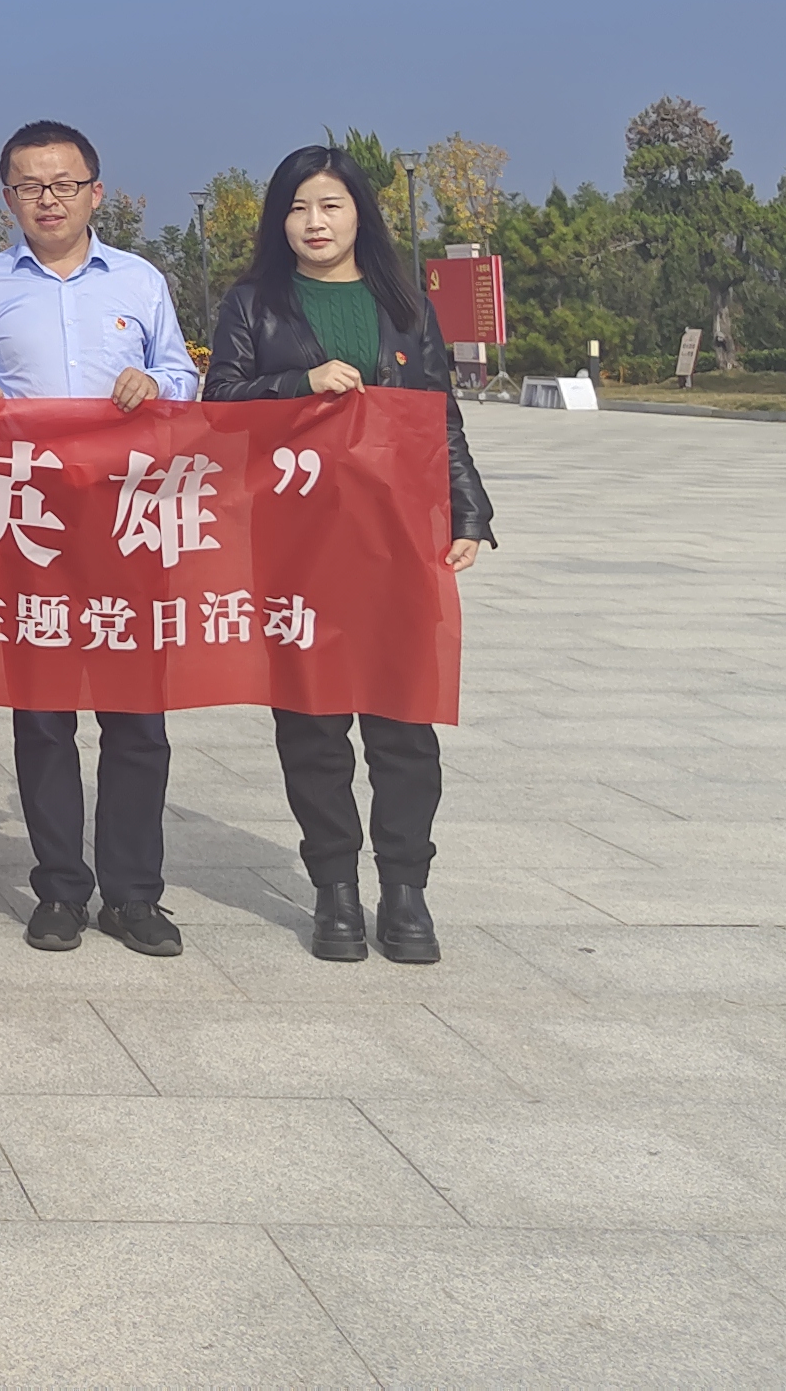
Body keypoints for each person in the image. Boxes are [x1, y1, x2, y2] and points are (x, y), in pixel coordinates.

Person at [207, 144, 494, 966]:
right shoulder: (253, 304)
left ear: (360, 214)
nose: (315, 222)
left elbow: (437, 417)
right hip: (297, 546)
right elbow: (217, 406)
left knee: (405, 722)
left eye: (330, 205)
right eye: (298, 208)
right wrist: (295, 384)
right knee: (313, 725)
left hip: (394, 542)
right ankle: (333, 888)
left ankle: (406, 890)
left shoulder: (402, 305)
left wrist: (468, 510)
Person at [0, 120, 198, 960]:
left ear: (95, 192)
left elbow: (186, 378)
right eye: (28, 186)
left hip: (128, 518)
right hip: (33, 522)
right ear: (7, 197)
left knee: (136, 718)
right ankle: (59, 888)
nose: (46, 200)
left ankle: (134, 895)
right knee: (43, 714)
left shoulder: (139, 280)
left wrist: (154, 381)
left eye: (63, 184)